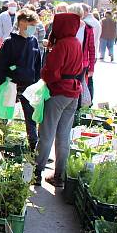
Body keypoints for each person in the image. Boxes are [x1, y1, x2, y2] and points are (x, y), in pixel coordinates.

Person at [35, 12, 83, 187]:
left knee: (46, 134)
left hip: (59, 92)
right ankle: (59, 176)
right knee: (63, 136)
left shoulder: (62, 45)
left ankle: (36, 172)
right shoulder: (76, 43)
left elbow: (51, 73)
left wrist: (44, 75)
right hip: (74, 92)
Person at [0, 8, 42, 150]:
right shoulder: (9, 42)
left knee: (31, 119)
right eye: (29, 25)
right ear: (21, 23)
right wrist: (1, 83)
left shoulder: (34, 42)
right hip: (11, 84)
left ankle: (34, 148)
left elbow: (37, 65)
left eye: (34, 26)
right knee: (3, 116)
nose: (32, 29)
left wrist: (37, 84)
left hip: (29, 87)